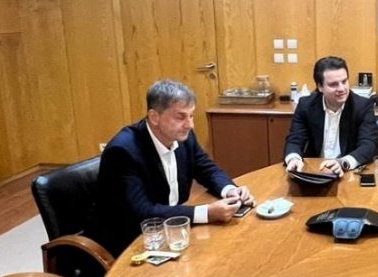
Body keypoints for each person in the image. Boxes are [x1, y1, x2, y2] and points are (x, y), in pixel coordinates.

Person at [89, 79, 254, 256]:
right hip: (128, 245)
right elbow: (142, 212)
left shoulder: (182, 136)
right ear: (154, 117)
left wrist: (229, 190)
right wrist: (206, 213)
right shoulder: (123, 151)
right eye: (180, 117)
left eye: (191, 116)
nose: (190, 125)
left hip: (171, 233)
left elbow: (207, 168)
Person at [283, 56, 378, 176]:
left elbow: (368, 145)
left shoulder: (362, 106)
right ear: (320, 87)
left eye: (344, 81)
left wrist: (342, 163)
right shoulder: (306, 105)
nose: (342, 88)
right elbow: (295, 140)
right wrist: (293, 159)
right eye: (333, 84)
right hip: (314, 172)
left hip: (348, 173)